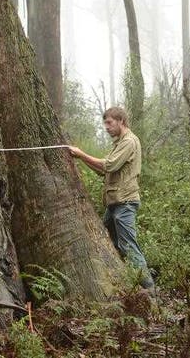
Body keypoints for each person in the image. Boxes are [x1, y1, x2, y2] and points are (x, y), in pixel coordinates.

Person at [68, 106, 154, 290]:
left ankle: (149, 289)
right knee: (107, 241)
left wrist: (82, 154)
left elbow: (110, 165)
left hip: (125, 203)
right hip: (115, 203)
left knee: (128, 246)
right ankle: (125, 283)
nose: (106, 127)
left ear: (121, 121)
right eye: (105, 123)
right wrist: (82, 158)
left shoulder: (129, 142)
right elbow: (103, 170)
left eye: (109, 122)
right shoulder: (119, 143)